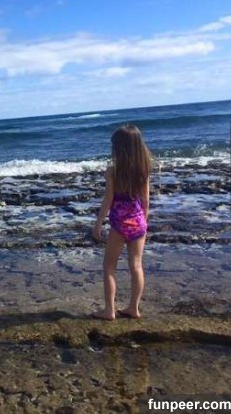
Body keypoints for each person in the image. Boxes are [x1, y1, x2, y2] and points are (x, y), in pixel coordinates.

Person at [91, 124, 151, 320]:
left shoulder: (112, 171)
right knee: (136, 266)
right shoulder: (143, 169)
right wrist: (144, 222)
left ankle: (109, 310)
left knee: (109, 266)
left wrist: (98, 223)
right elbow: (145, 200)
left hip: (119, 224)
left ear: (119, 148)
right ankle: (134, 308)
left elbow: (108, 199)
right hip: (138, 222)